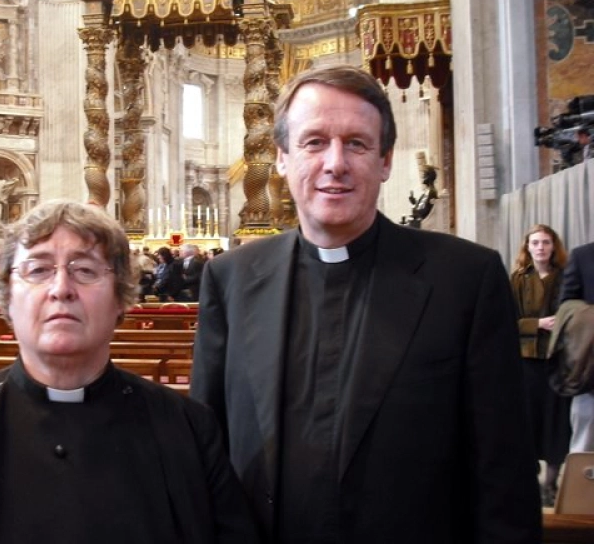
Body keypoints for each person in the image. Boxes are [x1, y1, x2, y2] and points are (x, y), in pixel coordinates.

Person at [191, 65, 541, 543]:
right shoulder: (230, 278)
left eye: (356, 143)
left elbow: (504, 468)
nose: (335, 162)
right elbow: (206, 452)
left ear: (385, 161)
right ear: (281, 158)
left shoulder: (465, 279)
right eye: (314, 142)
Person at [0, 199, 260, 543]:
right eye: (39, 269)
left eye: (84, 270)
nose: (62, 288)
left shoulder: (188, 430)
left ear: (122, 298)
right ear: (6, 298)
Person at [510, 224, 571, 506]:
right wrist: (538, 324)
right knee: (529, 421)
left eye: (546, 243)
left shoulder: (565, 276)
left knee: (557, 423)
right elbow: (507, 319)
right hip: (528, 359)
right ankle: (530, 481)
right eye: (535, 243)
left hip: (559, 358)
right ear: (528, 247)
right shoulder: (519, 279)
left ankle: (552, 482)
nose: (541, 248)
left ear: (553, 246)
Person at [559, 240, 594, 453]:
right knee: (584, 446)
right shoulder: (583, 256)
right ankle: (580, 488)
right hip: (590, 371)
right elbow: (567, 306)